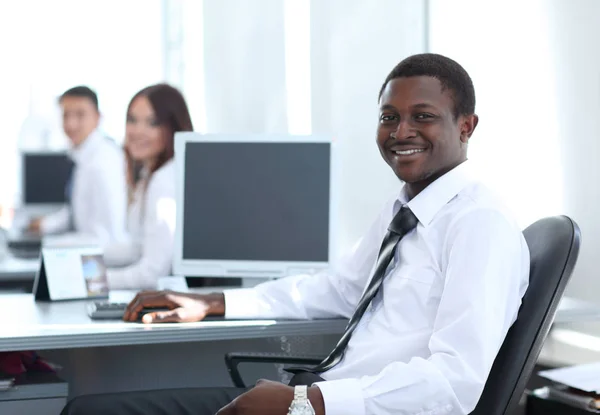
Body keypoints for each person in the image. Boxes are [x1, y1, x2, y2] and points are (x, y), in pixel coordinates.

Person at [61, 54, 530, 415]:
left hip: (340, 406)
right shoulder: (403, 208)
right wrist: (214, 303)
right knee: (91, 406)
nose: (400, 130)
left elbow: (455, 380)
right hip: (318, 396)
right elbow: (339, 289)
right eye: (389, 116)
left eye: (422, 116)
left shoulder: (479, 223)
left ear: (466, 126)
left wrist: (308, 403)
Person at [102, 84, 193, 290]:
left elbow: (153, 274)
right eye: (132, 120)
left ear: (173, 127)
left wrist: (95, 281)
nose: (136, 131)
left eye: (152, 123)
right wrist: (87, 258)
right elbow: (139, 247)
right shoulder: (151, 174)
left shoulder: (164, 181)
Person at [29, 86, 127, 245]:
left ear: (98, 117)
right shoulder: (84, 157)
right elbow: (78, 212)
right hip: (88, 250)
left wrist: (52, 244)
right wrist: (45, 225)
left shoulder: (103, 162)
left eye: (80, 115)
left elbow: (107, 236)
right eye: (66, 115)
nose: (71, 124)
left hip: (100, 258)